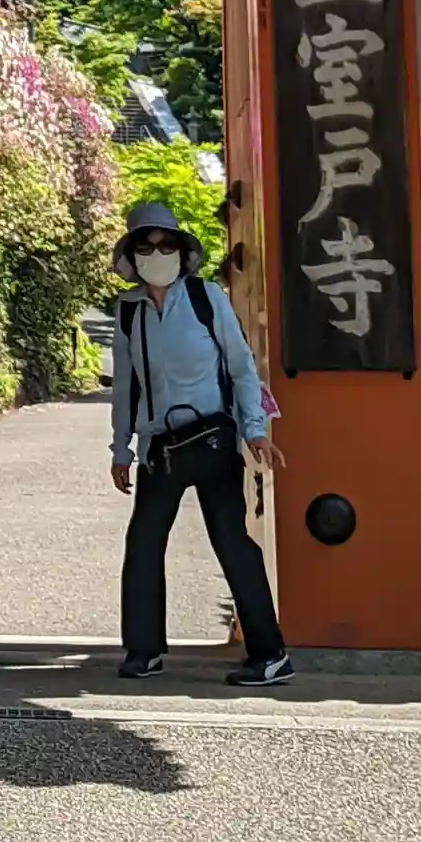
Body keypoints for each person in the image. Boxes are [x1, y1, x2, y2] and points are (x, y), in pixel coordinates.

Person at [109, 200, 292, 688]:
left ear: (181, 250)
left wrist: (254, 429)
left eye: (166, 244)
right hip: (159, 449)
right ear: (132, 255)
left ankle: (270, 654)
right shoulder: (128, 312)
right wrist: (121, 449)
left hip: (212, 440)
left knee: (232, 543)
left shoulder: (207, 299)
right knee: (144, 543)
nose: (157, 254)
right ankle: (143, 651)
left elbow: (241, 366)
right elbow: (126, 386)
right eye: (146, 246)